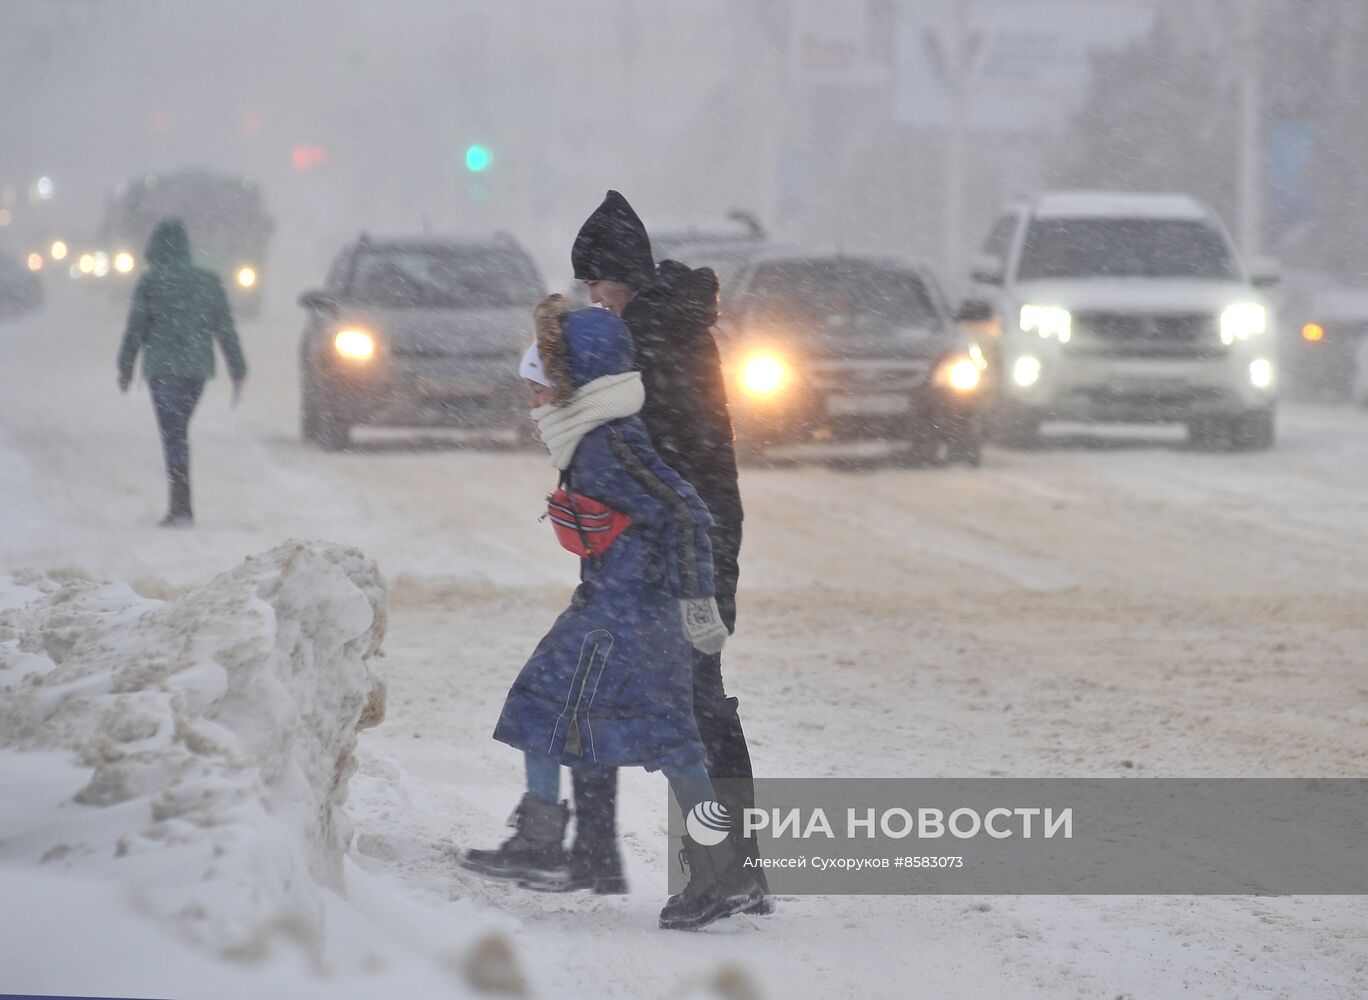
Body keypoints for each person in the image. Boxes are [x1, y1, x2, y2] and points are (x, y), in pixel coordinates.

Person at [461, 295, 763, 930]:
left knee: (537, 701)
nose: (532, 398)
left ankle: (543, 843)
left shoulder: (608, 442)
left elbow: (686, 509)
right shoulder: (596, 437)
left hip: (624, 612)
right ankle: (719, 873)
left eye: (539, 384)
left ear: (573, 381)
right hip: (631, 608)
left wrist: (699, 602)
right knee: (674, 741)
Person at [563, 191, 769, 912]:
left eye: (598, 282)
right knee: (699, 700)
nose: (594, 297)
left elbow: (647, 448)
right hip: (697, 533)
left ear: (622, 277)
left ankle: (721, 874)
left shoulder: (650, 338)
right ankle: (738, 870)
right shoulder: (664, 326)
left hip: (688, 540)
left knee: (694, 705)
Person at [117, 219, 246, 527]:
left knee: (173, 432)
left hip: (161, 370)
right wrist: (237, 368)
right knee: (178, 430)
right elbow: (225, 328)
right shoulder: (208, 281)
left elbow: (136, 327)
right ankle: (181, 504)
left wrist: (125, 366)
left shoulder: (151, 282)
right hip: (196, 371)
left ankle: (181, 507)